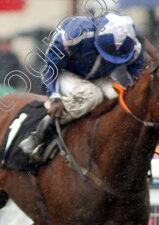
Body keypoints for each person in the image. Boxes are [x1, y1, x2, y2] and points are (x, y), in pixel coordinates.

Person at [18, 13, 145, 161]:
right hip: (66, 74)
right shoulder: (75, 33)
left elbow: (137, 77)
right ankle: (41, 130)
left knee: (118, 97)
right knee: (91, 95)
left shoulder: (134, 46)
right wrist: (54, 96)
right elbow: (50, 67)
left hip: (100, 77)